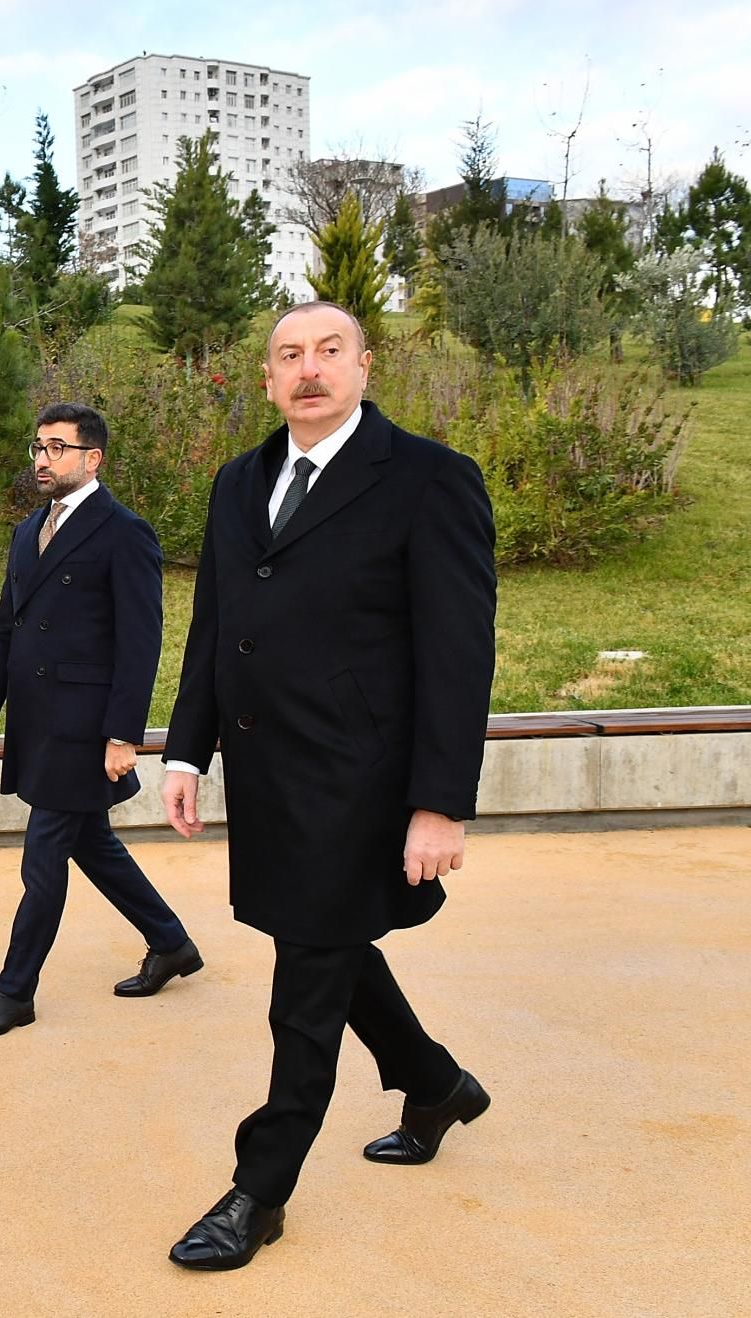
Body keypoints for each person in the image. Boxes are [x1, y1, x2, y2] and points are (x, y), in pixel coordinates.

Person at [159, 302, 497, 1270]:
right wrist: (188, 752)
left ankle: (258, 1189)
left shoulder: (431, 479)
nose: (309, 369)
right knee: (328, 941)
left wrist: (440, 801)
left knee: (304, 979)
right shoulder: (237, 482)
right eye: (290, 355)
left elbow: (458, 655)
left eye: (329, 351)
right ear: (267, 379)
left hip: (366, 783)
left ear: (364, 364)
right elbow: (215, 627)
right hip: (270, 778)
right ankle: (433, 1083)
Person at [0, 401, 202, 1040]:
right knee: (91, 843)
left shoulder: (125, 532)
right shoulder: (26, 531)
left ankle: (14, 994)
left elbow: (140, 641)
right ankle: (171, 942)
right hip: (38, 723)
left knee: (43, 859)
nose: (43, 458)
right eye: (38, 446)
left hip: (84, 727)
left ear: (93, 458)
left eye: (57, 448)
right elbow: (6, 627)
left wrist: (123, 733)